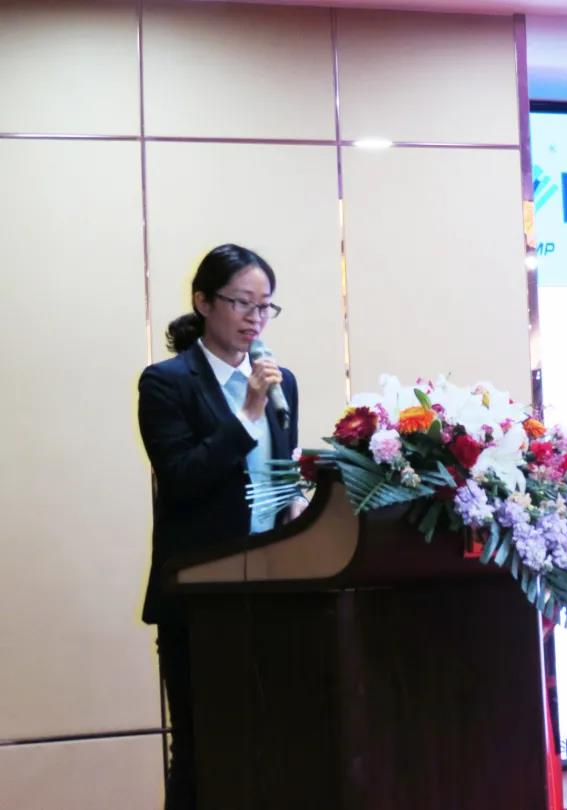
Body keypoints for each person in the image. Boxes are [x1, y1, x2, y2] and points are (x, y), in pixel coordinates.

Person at [137, 243, 299, 810]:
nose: (256, 318)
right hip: (200, 596)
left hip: (274, 590)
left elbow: (280, 476)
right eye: (242, 303)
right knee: (202, 748)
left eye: (265, 306)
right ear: (204, 302)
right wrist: (248, 413)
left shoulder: (281, 382)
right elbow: (182, 478)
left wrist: (300, 509)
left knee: (273, 742)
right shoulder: (167, 384)